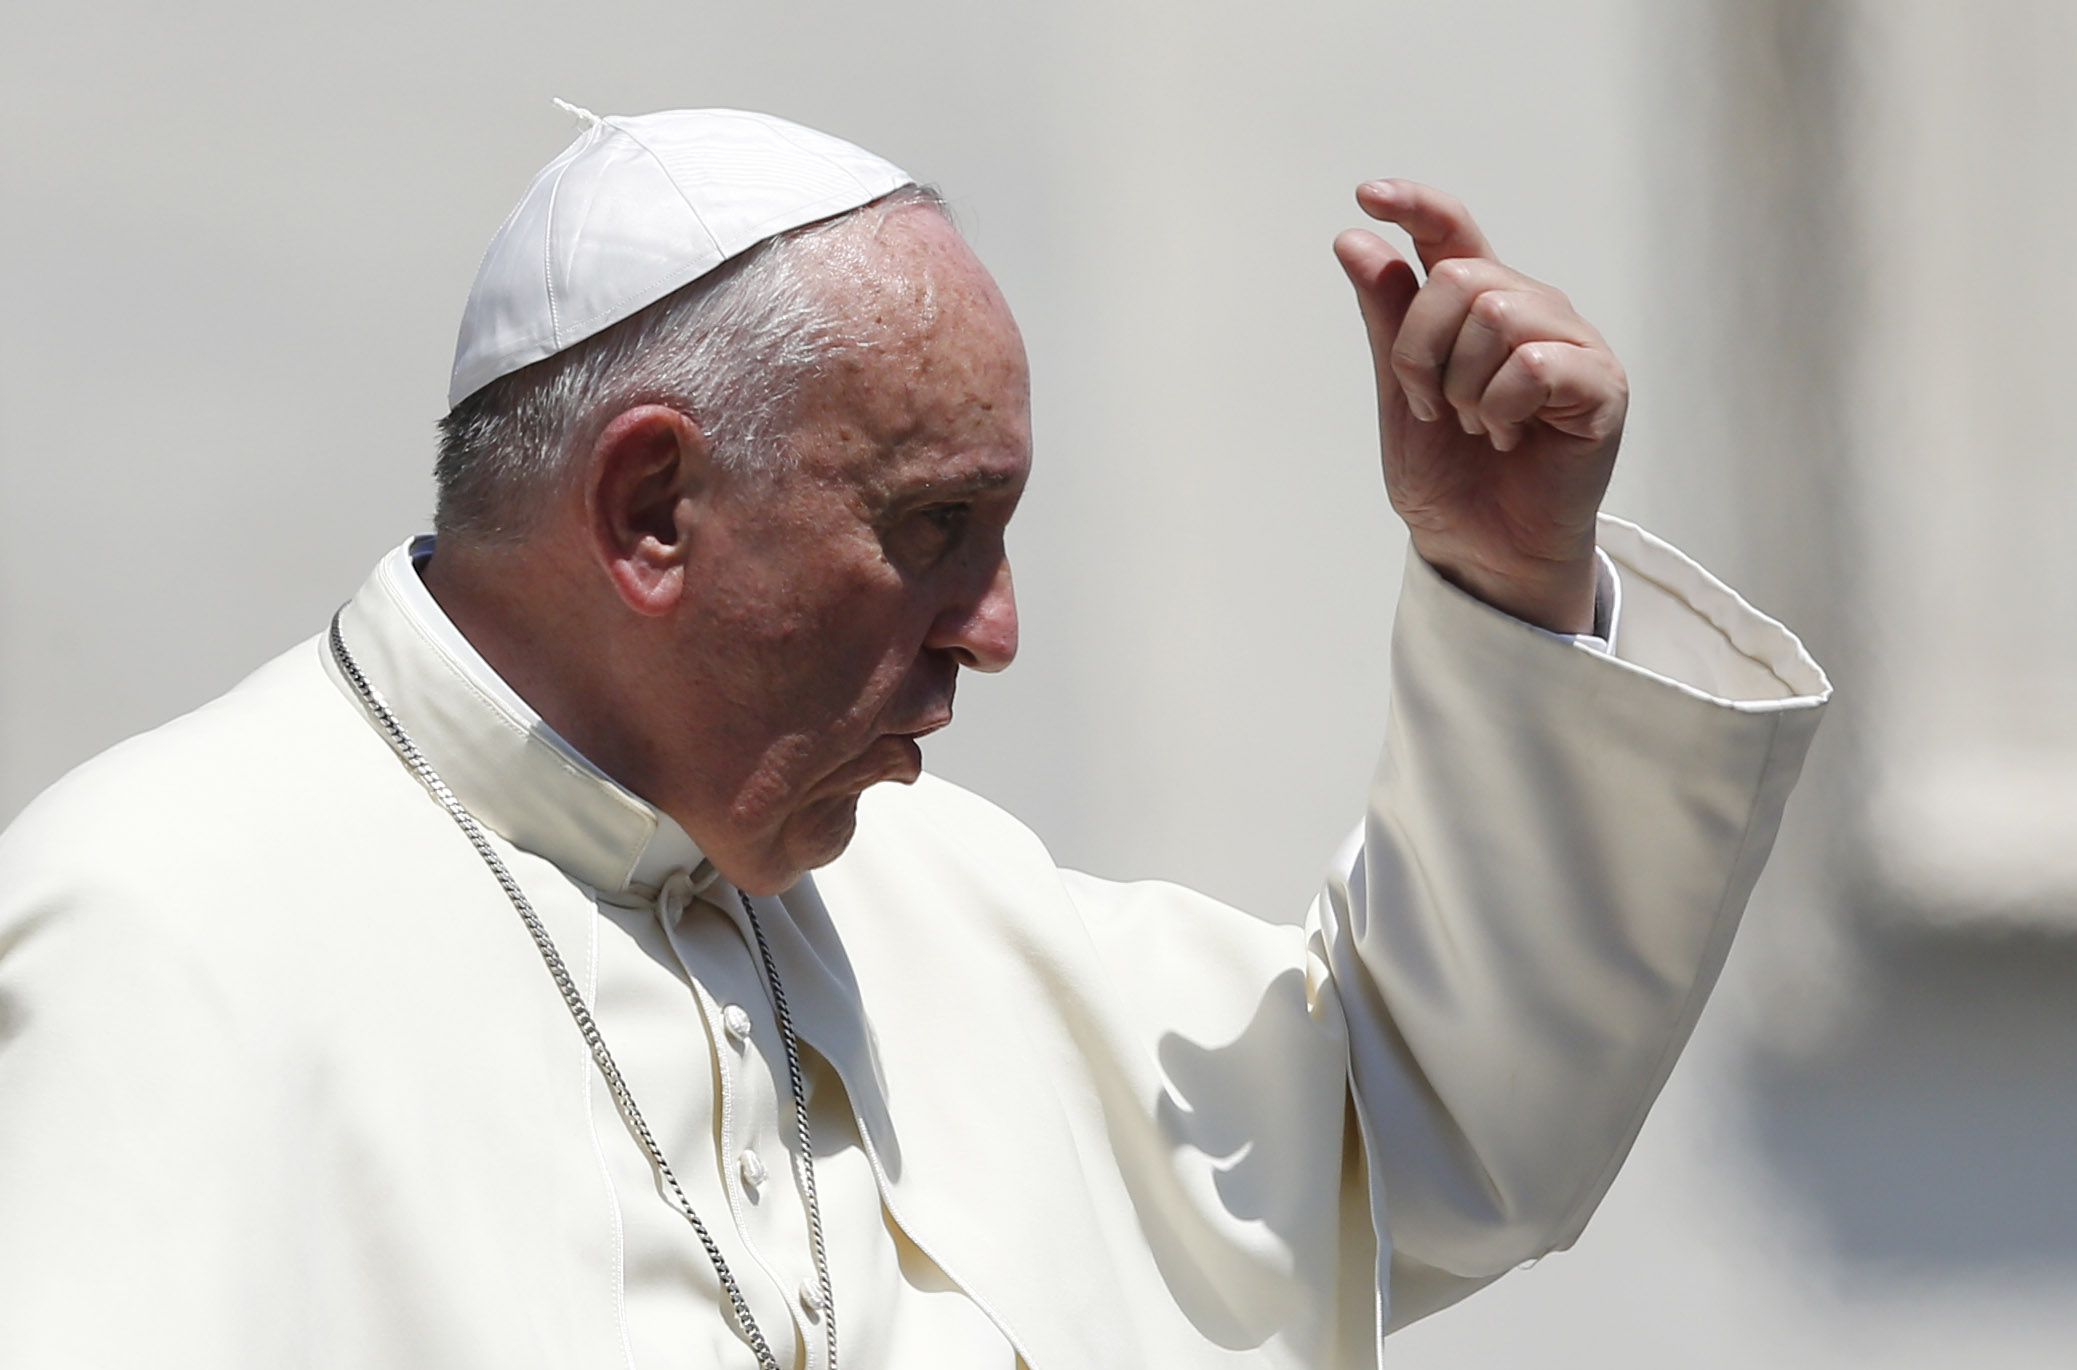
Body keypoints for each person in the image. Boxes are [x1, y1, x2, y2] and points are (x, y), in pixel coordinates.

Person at [0, 108, 1828, 1369]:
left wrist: (1510, 581)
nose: (998, 629)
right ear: (650, 510)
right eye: (933, 527)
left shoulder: (929, 898)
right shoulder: (158, 929)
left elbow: (1411, 1127)